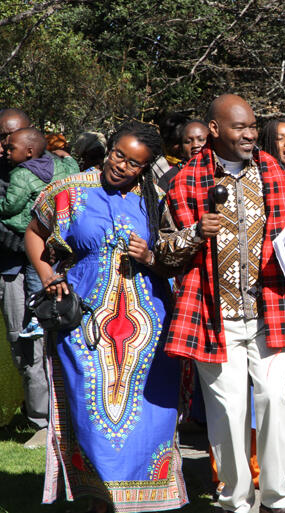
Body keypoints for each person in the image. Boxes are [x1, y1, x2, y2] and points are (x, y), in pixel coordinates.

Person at [156, 93, 285, 513]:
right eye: (240, 128)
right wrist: (195, 232)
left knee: (273, 402)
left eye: (252, 127)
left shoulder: (276, 173)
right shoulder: (184, 180)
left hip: (271, 311)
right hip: (214, 315)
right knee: (227, 413)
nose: (250, 134)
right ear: (215, 130)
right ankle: (234, 500)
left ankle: (277, 498)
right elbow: (164, 252)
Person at [25, 121, 187, 512]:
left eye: (133, 164)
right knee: (91, 414)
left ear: (144, 169)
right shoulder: (67, 191)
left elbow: (176, 256)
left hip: (148, 329)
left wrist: (149, 256)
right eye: (118, 155)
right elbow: (35, 232)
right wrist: (48, 276)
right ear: (109, 148)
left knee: (151, 417)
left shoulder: (156, 200)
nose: (121, 166)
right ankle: (103, 500)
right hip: (84, 324)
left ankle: (146, 498)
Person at [0, 108, 50, 448]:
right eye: (2, 137)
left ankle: (45, 421)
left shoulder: (44, 169)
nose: (5, 144)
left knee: (36, 343)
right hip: (10, 269)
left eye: (10, 137)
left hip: (40, 267)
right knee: (21, 345)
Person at [0, 127, 79, 339]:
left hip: (34, 231)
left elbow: (11, 206)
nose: (6, 152)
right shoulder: (60, 165)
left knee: (36, 272)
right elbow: (75, 172)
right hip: (60, 229)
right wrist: (68, 156)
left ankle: (37, 316)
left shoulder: (21, 174)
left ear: (28, 151)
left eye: (10, 148)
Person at [157, 119, 209, 192]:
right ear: (181, 149)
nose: (195, 145)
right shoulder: (170, 178)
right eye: (188, 142)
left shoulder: (223, 170)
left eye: (201, 139)